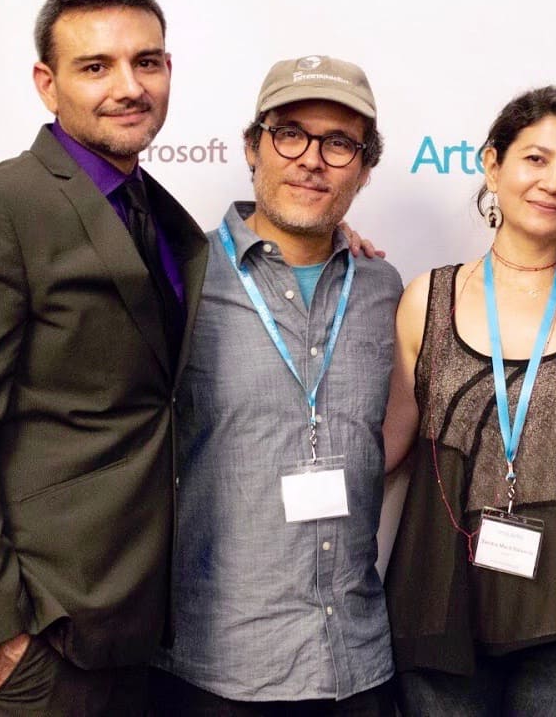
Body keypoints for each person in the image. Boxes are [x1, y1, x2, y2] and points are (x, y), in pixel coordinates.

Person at [0, 0, 208, 714]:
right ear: (48, 84)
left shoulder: (159, 213)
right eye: (95, 66)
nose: (128, 86)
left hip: (138, 631)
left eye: (146, 62)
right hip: (41, 637)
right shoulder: (0, 207)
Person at [149, 55, 401, 715]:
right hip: (217, 665)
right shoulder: (179, 277)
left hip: (356, 662)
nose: (311, 159)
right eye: (290, 134)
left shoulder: (384, 289)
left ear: (364, 170)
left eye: (339, 143)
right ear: (251, 148)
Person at [382, 86, 556, 716]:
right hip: (442, 604)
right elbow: (386, 445)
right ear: (493, 165)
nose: (553, 182)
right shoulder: (426, 298)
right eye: (536, 159)